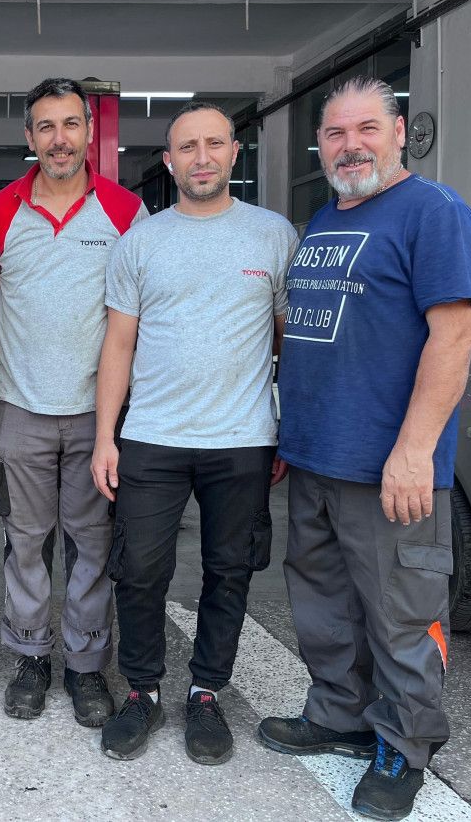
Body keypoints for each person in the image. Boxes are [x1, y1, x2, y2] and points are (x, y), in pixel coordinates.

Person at [260, 76, 471, 821]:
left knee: (401, 611)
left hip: (390, 465)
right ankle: (340, 715)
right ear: (320, 145)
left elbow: (456, 334)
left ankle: (404, 744)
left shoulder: (434, 212)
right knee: (324, 603)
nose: (350, 145)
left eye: (366, 130)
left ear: (398, 133)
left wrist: (415, 450)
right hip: (317, 455)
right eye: (335, 133)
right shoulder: (328, 218)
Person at [91, 101, 298, 765]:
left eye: (214, 144)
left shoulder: (273, 235)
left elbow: (287, 339)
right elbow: (118, 345)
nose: (201, 158)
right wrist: (105, 436)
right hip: (152, 435)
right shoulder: (141, 242)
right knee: (138, 571)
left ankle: (207, 693)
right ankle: (143, 691)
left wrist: (284, 425)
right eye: (187, 147)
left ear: (235, 153)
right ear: (170, 161)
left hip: (241, 438)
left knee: (229, 571)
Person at [0, 78, 147, 726]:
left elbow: (138, 311)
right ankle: (30, 657)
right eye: (45, 127)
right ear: (30, 137)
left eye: (70, 124)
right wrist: (15, 361)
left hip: (97, 414)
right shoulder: (0, 212)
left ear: (88, 132)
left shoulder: (126, 212)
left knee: (92, 542)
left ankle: (85, 665)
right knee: (25, 539)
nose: (59, 139)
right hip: (22, 408)